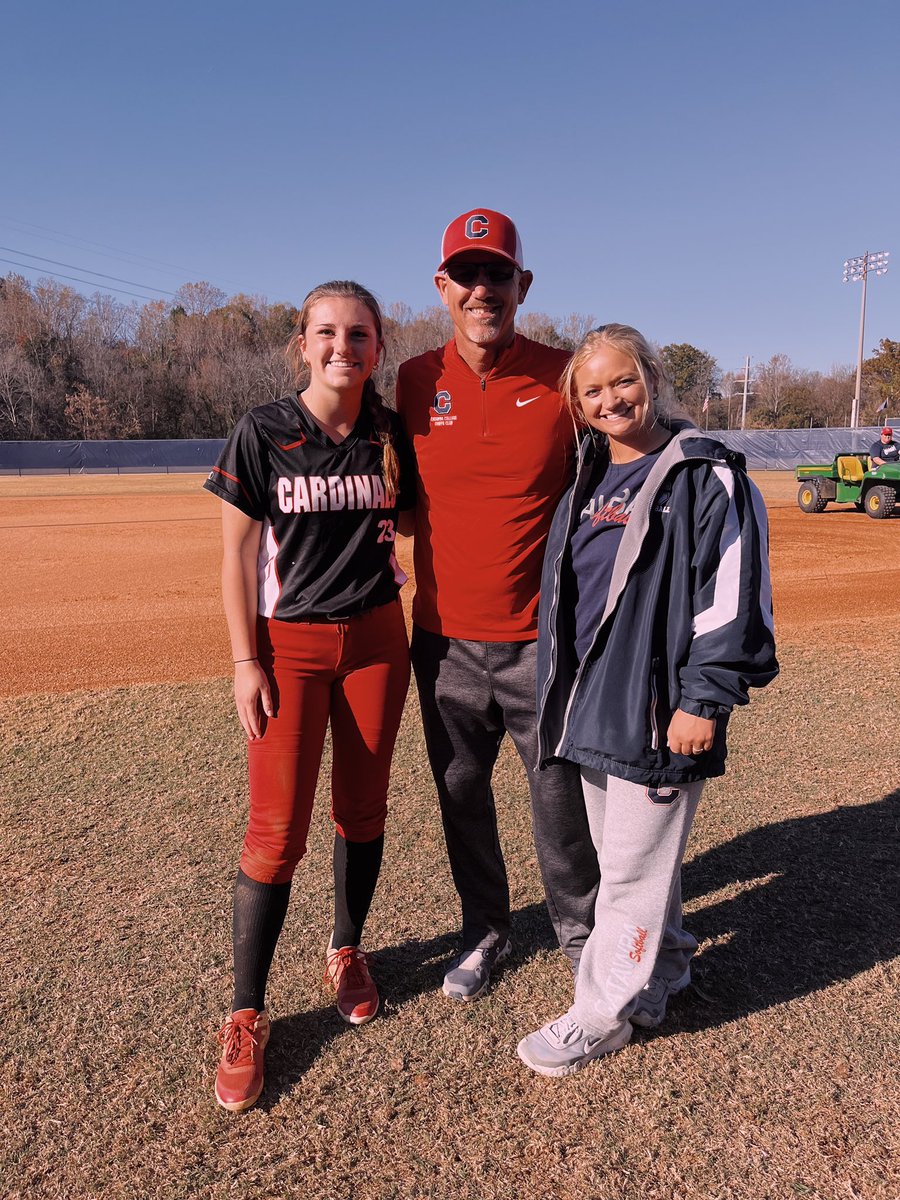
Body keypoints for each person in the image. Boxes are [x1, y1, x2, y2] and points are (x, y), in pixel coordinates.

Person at [517, 324, 778, 1077]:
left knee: (628, 873)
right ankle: (663, 974)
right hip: (597, 704)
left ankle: (600, 1015)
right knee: (625, 858)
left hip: (662, 709)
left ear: (652, 377)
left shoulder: (704, 473)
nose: (610, 400)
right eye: (591, 391)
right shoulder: (590, 474)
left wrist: (705, 699)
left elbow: (731, 599)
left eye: (621, 381)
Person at [204, 280, 414, 1112]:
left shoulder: (391, 432)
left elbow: (422, 531)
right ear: (302, 342)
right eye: (326, 333)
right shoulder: (263, 430)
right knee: (274, 833)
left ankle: (347, 948)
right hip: (286, 647)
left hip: (373, 644)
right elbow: (233, 560)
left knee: (363, 812)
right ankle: (247, 1011)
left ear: (378, 346)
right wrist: (243, 660)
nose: (342, 348)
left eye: (358, 334)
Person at [395, 208, 600, 1002]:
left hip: (540, 641)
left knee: (557, 795)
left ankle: (580, 934)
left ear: (524, 285)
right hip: (442, 642)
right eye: (468, 275)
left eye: (499, 274)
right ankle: (485, 929)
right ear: (443, 286)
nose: (484, 290)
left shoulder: (562, 375)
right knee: (459, 793)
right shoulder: (414, 379)